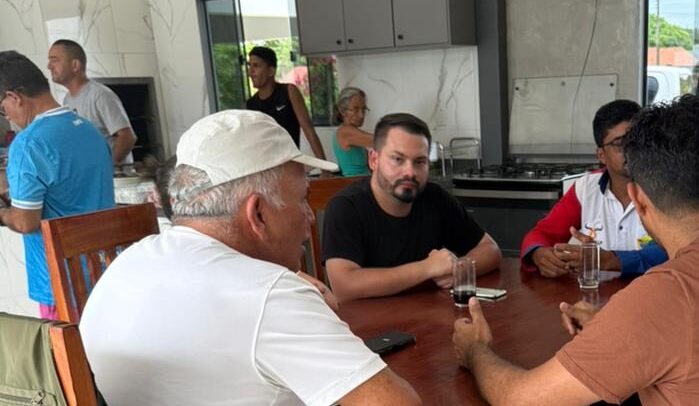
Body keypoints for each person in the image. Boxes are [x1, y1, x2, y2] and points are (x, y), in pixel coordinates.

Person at [452, 95, 699, 406]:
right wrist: (618, 327)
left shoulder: (666, 296)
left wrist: (475, 351)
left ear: (638, 198)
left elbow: (520, 398)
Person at [79, 109, 421, 406]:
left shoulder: (126, 265)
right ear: (257, 213)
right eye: (302, 199)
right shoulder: (270, 295)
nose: (309, 216)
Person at [322, 112, 501, 302]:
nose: (410, 172)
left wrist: (458, 269)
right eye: (398, 159)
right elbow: (344, 286)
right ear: (374, 160)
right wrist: (427, 269)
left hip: (430, 314)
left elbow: (490, 250)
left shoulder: (435, 197)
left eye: (419, 162)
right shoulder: (345, 207)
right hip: (370, 320)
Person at [0, 51, 114, 320]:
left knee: (68, 347)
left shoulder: (28, 143)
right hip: (105, 274)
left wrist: (3, 212)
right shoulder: (88, 129)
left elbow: (25, 222)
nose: (8, 117)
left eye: (3, 109)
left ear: (14, 97)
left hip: (62, 283)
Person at [520, 99, 667, 277]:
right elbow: (542, 234)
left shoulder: (668, 188)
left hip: (655, 291)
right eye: (620, 143)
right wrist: (539, 254)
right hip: (598, 292)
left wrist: (611, 260)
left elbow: (675, 251)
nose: (631, 150)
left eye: (636, 140)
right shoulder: (586, 188)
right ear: (601, 155)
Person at [47, 39, 137, 165]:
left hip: (113, 174)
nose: (49, 66)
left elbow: (127, 137)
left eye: (54, 60)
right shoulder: (67, 99)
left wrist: (107, 167)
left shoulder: (100, 95)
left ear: (75, 65)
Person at [245, 45, 328, 160]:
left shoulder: (289, 91)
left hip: (290, 163)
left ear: (271, 71)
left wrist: (324, 165)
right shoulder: (251, 104)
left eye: (256, 66)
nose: (250, 72)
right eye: (249, 66)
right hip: (265, 165)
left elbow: (308, 129)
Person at [332, 87, 373, 176]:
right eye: (356, 109)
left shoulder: (351, 132)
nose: (361, 115)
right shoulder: (344, 132)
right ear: (342, 111)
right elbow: (379, 141)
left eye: (363, 109)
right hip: (356, 182)